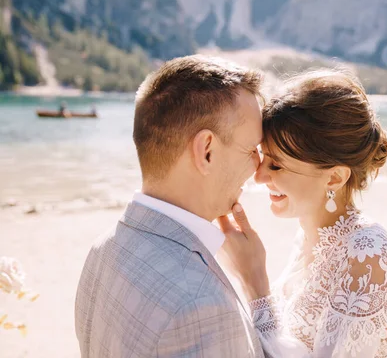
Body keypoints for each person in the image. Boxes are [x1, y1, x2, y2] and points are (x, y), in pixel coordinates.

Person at [74, 55, 275, 357]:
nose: (259, 169)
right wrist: (258, 287)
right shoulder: (202, 307)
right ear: (206, 151)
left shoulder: (103, 249)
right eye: (252, 149)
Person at [218, 70, 387, 357]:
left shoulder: (367, 255)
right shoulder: (307, 237)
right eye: (262, 157)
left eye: (276, 166)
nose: (258, 176)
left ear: (334, 178)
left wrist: (254, 282)